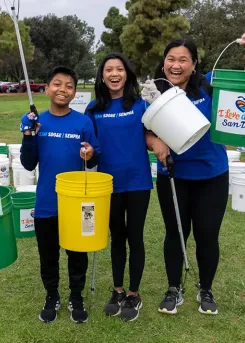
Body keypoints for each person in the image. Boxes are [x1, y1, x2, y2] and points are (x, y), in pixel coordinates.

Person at [142, 32, 245, 315]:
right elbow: (146, 130)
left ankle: (205, 290)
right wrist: (154, 142)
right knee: (175, 234)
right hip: (172, 177)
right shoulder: (155, 95)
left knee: (208, 235)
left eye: (183, 60)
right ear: (163, 64)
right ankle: (174, 289)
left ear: (194, 65)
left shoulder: (210, 87)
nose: (176, 65)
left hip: (212, 176)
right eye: (170, 59)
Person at [20, 66, 100, 324]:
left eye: (68, 85)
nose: (62, 89)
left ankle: (76, 297)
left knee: (78, 253)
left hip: (78, 202)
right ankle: (51, 295)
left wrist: (89, 153)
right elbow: (28, 163)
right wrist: (28, 135)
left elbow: (94, 158)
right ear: (46, 88)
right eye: (57, 84)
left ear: (74, 92)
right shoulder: (37, 122)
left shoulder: (83, 122)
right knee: (48, 254)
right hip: (46, 202)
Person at [85, 53, 152, 322]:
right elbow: (93, 150)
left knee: (135, 236)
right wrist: (88, 153)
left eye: (120, 69)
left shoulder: (141, 105)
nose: (114, 73)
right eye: (109, 69)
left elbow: (155, 135)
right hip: (108, 185)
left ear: (127, 74)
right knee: (117, 237)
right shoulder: (93, 109)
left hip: (138, 182)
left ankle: (134, 293)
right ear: (102, 76)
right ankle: (118, 289)